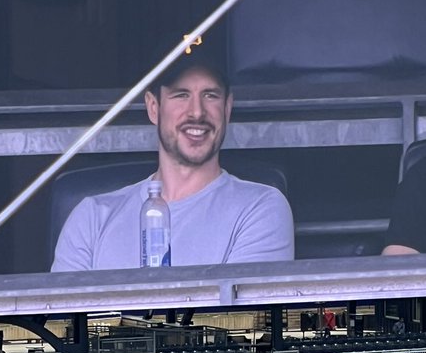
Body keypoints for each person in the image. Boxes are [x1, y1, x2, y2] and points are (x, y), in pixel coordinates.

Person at [51, 61, 295, 271]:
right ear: (153, 107)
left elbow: (242, 320)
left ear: (227, 108)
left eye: (210, 95)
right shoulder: (91, 218)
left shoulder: (261, 208)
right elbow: (61, 323)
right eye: (181, 95)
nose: (197, 112)